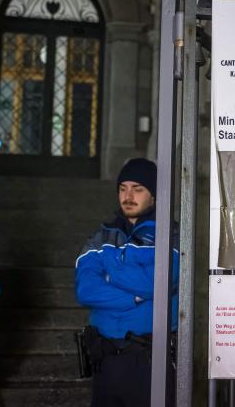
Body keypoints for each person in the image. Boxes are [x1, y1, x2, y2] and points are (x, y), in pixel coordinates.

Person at [75, 157, 179, 406]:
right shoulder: (101, 235)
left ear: (154, 195)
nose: (128, 196)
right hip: (105, 359)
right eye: (123, 189)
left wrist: (111, 274)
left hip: (150, 360)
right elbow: (85, 289)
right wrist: (132, 297)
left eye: (138, 189)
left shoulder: (172, 234)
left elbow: (160, 281)